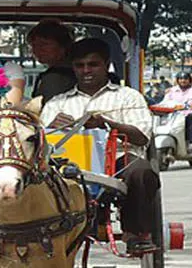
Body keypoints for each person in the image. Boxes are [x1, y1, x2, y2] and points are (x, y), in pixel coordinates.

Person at [40, 38, 157, 252]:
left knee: (141, 171)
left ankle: (136, 234)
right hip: (67, 165)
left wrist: (106, 123)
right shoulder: (56, 104)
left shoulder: (129, 97)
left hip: (117, 163)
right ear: (73, 67)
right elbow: (38, 145)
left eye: (93, 64)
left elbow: (141, 137)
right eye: (80, 65)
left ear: (106, 64)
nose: (86, 70)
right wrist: (49, 128)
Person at [26, 19, 75, 103]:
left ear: (63, 46)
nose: (37, 49)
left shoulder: (56, 78)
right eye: (33, 45)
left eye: (44, 44)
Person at [158, 71, 192, 145]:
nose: (183, 81)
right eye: (181, 78)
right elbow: (164, 102)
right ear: (177, 80)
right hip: (173, 116)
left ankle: (190, 142)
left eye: (185, 78)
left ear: (189, 80)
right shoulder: (172, 90)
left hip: (190, 114)